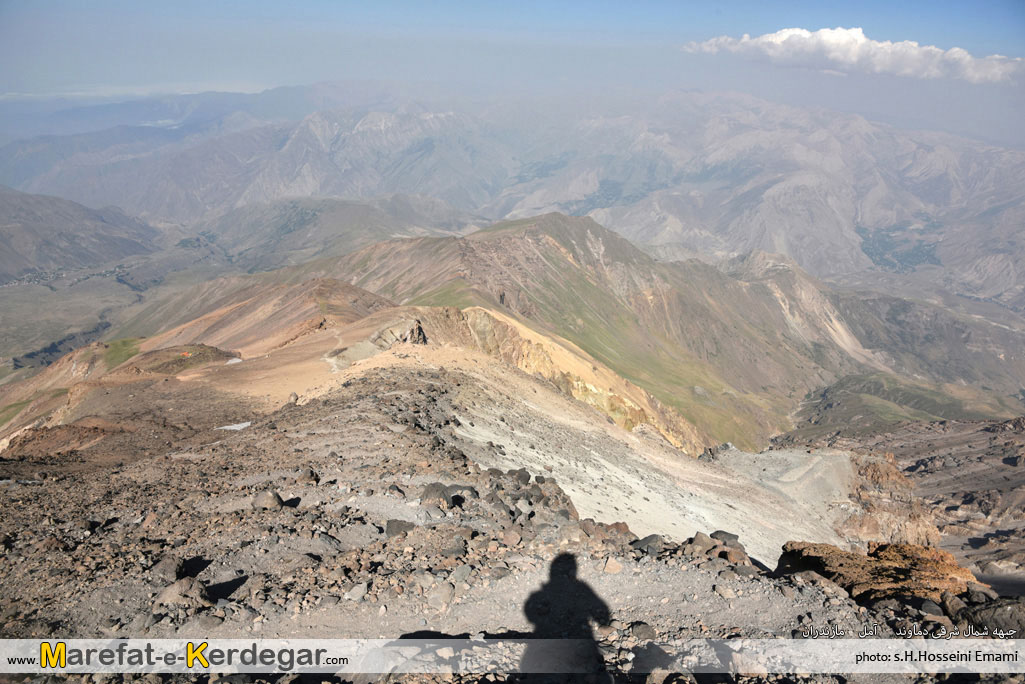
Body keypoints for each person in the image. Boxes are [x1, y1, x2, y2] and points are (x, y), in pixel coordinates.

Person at [520, 553, 612, 677]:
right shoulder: (581, 587)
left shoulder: (541, 594)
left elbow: (530, 612)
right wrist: (603, 621)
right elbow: (601, 612)